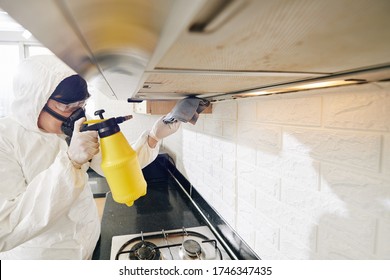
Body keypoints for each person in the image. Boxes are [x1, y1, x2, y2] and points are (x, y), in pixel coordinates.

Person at [0, 55, 180, 259]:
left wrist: (154, 137)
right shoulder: (5, 139)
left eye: (81, 104)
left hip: (90, 242)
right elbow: (6, 226)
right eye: (68, 107)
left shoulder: (69, 131)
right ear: (35, 101)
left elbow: (118, 165)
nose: (77, 114)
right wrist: (70, 163)